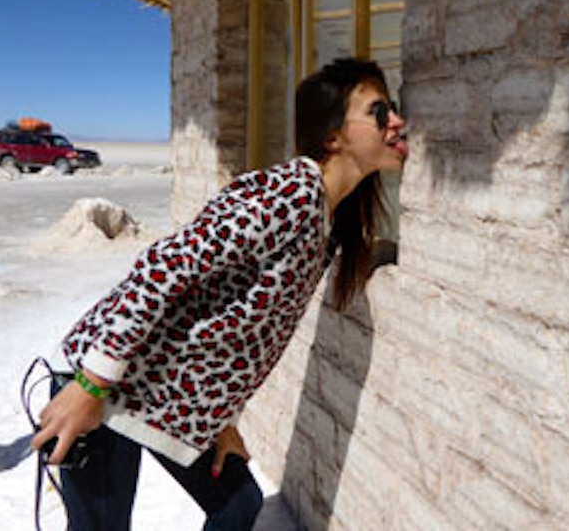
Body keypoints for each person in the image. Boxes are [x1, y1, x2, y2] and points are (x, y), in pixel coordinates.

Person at [31, 58, 408, 530]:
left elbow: (242, 329)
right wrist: (90, 385)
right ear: (333, 137)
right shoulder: (291, 192)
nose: (397, 122)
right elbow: (164, 265)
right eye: (379, 112)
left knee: (238, 505)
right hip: (106, 383)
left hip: (166, 399)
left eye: (393, 109)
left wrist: (223, 420)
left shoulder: (328, 220)